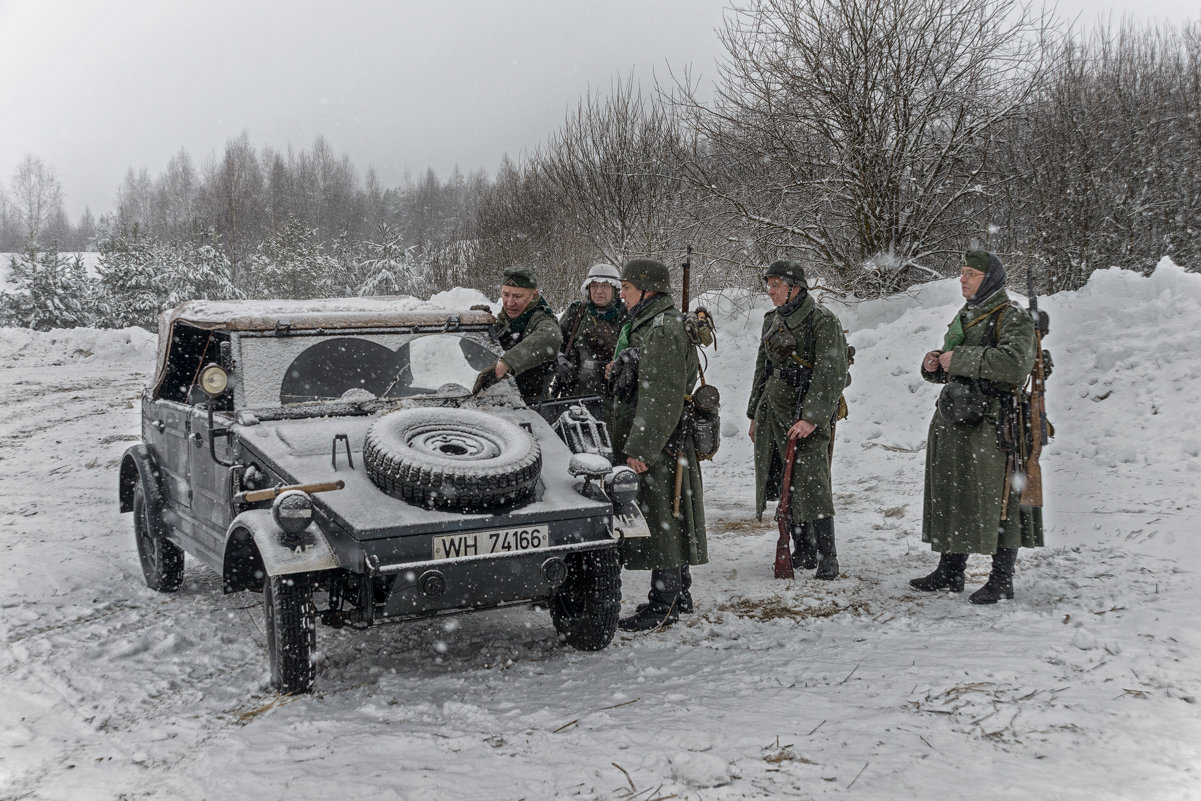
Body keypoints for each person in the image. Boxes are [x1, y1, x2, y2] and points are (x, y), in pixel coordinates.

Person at [910, 249, 1039, 604]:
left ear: (990, 278)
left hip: (994, 423)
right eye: (961, 271)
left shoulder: (1011, 316)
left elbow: (1015, 365)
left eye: (970, 273)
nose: (962, 278)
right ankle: (950, 571)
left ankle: (1001, 579)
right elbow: (959, 362)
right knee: (954, 493)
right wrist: (935, 364)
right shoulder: (966, 314)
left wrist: (961, 358)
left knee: (999, 500)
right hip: (957, 419)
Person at [608, 258, 707, 631]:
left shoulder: (662, 328)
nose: (622, 294)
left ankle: (663, 603)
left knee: (664, 520)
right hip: (661, 440)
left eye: (627, 288)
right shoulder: (648, 323)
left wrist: (641, 450)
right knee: (670, 517)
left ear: (648, 291)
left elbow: (662, 395)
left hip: (660, 443)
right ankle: (678, 595)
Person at [747, 260, 849, 579]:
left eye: (776, 285)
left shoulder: (822, 321)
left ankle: (827, 556)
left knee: (813, 481)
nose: (771, 291)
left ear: (796, 287)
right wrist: (754, 413)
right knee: (784, 480)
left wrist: (811, 418)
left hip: (806, 412)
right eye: (770, 284)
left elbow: (830, 373)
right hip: (773, 410)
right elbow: (762, 368)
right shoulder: (772, 320)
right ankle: (802, 549)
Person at [472, 266, 562, 405]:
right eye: (506, 294)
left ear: (534, 294)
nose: (510, 302)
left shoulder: (542, 319)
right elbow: (472, 359)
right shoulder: (503, 321)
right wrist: (476, 326)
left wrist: (507, 363)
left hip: (530, 407)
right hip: (492, 403)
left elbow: (551, 337)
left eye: (517, 296)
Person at [553, 263, 626, 399]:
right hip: (575, 392)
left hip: (612, 397)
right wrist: (559, 358)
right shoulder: (576, 313)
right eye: (594, 286)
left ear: (615, 289)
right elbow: (554, 342)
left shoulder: (626, 315)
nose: (598, 291)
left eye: (604, 286)